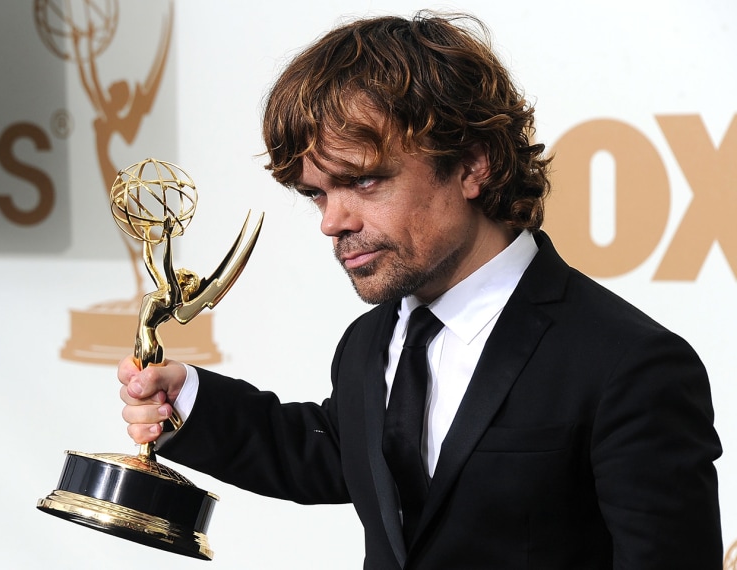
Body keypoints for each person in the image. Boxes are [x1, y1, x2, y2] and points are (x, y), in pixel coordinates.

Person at [118, 11, 722, 569]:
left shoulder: (628, 364)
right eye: (318, 194)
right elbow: (347, 455)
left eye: (363, 181)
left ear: (472, 164)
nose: (333, 222)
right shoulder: (369, 343)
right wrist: (188, 400)